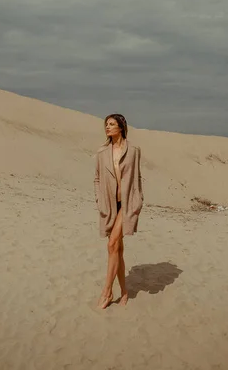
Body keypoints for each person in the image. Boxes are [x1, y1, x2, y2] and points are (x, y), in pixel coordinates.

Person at [94, 113, 144, 309]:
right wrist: (99, 200)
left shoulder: (134, 151)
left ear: (121, 127)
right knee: (117, 249)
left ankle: (107, 292)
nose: (108, 127)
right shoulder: (102, 152)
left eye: (112, 124)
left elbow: (137, 177)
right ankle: (124, 291)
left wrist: (139, 199)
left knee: (112, 244)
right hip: (110, 206)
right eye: (106, 124)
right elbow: (97, 178)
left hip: (127, 203)